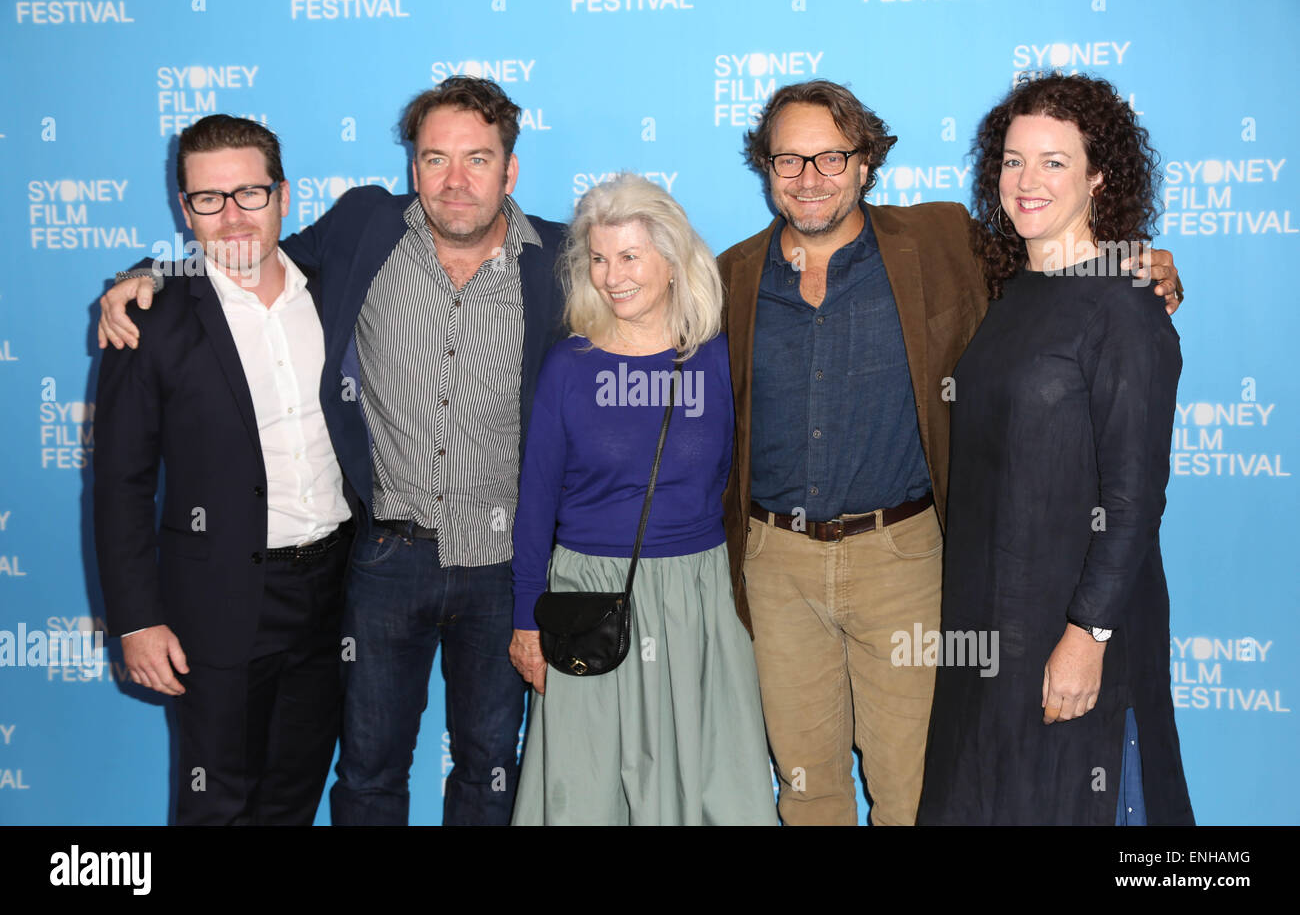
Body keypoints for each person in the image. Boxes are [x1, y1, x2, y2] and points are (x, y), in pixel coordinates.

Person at [97, 77, 568, 826]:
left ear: (510, 170)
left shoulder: (564, 260)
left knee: (489, 766)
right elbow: (235, 263)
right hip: (381, 563)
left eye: (477, 159)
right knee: (365, 770)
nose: (454, 179)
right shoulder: (362, 231)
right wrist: (144, 276)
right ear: (412, 167)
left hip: (494, 565)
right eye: (435, 157)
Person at [716, 79, 1184, 826]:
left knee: (915, 791)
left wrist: (1142, 267)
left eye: (832, 157)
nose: (810, 178)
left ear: (867, 162)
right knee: (807, 789)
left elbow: (1083, 284)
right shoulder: (730, 275)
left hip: (905, 560)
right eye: (789, 160)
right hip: (781, 568)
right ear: (765, 168)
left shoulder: (942, 243)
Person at [917, 74, 1194, 825]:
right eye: (1012, 161)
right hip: (990, 625)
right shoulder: (1011, 294)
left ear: (1099, 177)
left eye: (1054, 162)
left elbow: (1135, 501)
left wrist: (1088, 637)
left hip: (1073, 626)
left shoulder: (1127, 307)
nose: (1027, 181)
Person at [94, 114, 353, 825]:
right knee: (216, 804)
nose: (233, 216)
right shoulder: (148, 317)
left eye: (250, 193)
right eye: (209, 199)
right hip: (217, 602)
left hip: (335, 593)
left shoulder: (337, 293)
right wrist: (137, 620)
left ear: (284, 195)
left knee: (293, 797)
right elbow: (120, 483)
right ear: (185, 208)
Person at [508, 174, 777, 825]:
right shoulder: (568, 366)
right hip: (585, 601)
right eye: (598, 258)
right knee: (584, 791)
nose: (611, 276)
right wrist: (525, 624)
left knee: (711, 788)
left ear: (672, 260)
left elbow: (746, 478)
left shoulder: (718, 357)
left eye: (629, 256)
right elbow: (535, 502)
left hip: (700, 599)